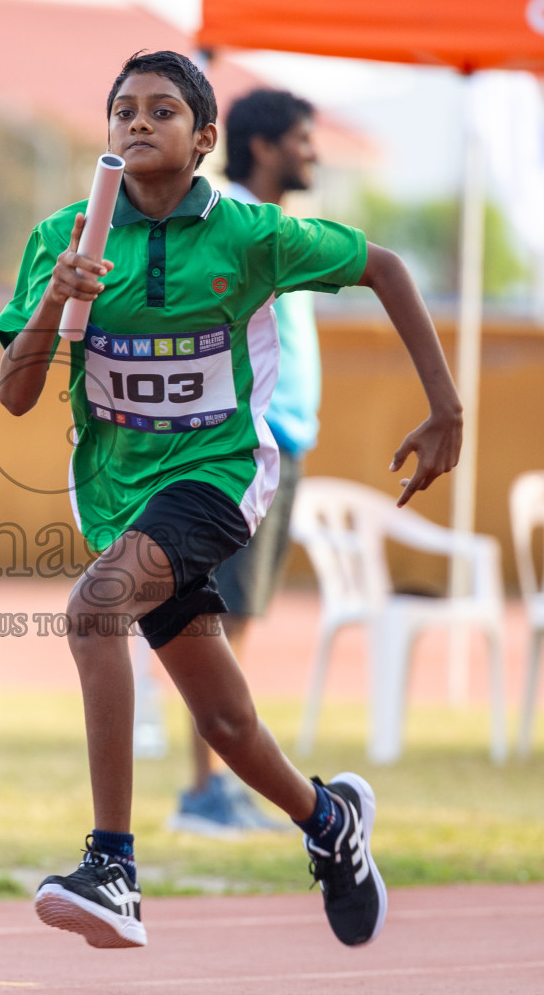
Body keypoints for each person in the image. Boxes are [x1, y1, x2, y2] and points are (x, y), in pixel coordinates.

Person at [0, 51, 461, 951]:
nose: (137, 123)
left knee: (95, 611)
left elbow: (387, 267)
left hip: (220, 476)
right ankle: (329, 820)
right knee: (225, 720)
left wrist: (446, 409)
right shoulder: (64, 238)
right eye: (122, 109)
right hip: (116, 494)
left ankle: (113, 868)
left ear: (205, 138)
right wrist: (56, 300)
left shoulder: (252, 235)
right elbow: (14, 397)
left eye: (162, 110)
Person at [168, 88, 327, 837]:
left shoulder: (274, 226)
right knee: (220, 625)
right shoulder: (227, 224)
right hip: (243, 448)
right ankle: (204, 794)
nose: (313, 152)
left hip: (281, 441)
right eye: (302, 139)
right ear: (262, 146)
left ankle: (216, 789)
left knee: (243, 620)